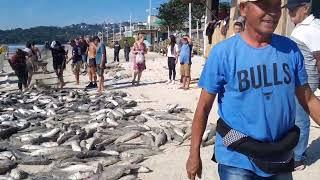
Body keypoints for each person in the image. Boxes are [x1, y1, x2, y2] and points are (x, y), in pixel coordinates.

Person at [186, 0, 320, 180]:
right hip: (237, 156)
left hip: (279, 154)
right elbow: (203, 107)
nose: (272, 12)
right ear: (243, 9)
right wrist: (194, 153)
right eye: (264, 6)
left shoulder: (290, 50)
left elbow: (309, 99)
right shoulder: (223, 53)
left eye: (276, 6)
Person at [284, 0, 320, 171]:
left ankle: (298, 157)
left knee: (301, 119)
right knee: (293, 117)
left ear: (305, 8)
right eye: (289, 11)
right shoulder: (303, 27)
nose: (290, 15)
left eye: (293, 10)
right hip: (296, 80)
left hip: (305, 83)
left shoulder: (313, 29)